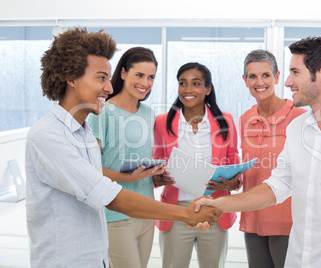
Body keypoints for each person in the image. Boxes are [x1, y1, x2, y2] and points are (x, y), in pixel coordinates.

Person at [195, 36, 321, 267]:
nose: (287, 82)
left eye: (295, 72)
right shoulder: (296, 129)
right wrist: (218, 205)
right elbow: (277, 186)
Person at [24, 27, 221, 268]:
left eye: (108, 78)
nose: (108, 87)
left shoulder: (83, 132)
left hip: (96, 255)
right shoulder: (48, 136)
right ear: (72, 78)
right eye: (100, 78)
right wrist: (187, 214)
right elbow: (108, 195)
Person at [152, 62, 241, 268]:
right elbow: (156, 168)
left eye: (196, 83)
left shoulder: (225, 121)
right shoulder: (162, 122)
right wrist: (157, 177)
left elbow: (234, 166)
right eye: (182, 83)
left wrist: (232, 184)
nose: (188, 89)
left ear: (207, 89)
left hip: (215, 210)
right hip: (175, 211)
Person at [87, 47, 163, 268]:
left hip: (147, 210)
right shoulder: (103, 112)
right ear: (122, 74)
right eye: (139, 75)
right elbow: (90, 168)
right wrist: (127, 178)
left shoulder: (148, 113)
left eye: (151, 77)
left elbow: (143, 159)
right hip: (116, 214)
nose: (145, 83)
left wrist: (155, 174)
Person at [239, 49, 306, 268]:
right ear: (245, 80)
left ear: (277, 77)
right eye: (253, 76)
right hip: (252, 218)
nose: (259, 82)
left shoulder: (299, 117)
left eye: (266, 75)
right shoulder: (244, 119)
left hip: (287, 221)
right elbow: (251, 168)